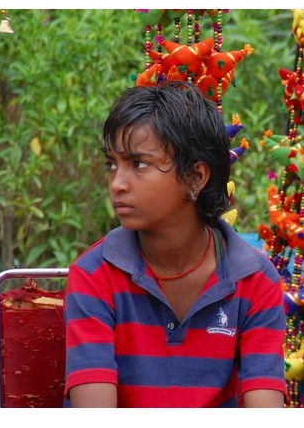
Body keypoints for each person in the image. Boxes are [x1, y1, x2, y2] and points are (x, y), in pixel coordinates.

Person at [63, 81, 287, 408]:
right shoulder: (94, 276)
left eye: (138, 164)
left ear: (196, 177)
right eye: (112, 164)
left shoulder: (254, 281)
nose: (117, 184)